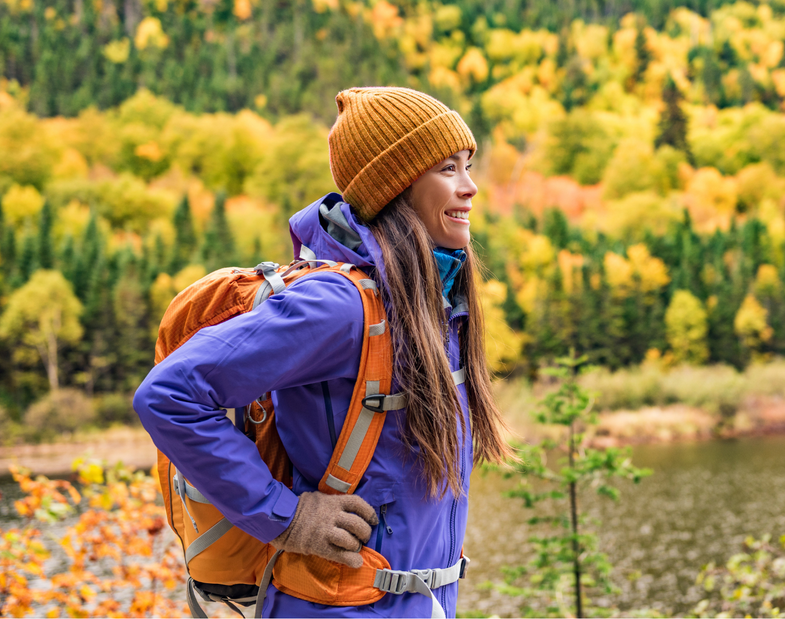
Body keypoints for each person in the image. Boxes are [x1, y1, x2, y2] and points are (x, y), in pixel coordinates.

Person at [134, 87, 514, 618]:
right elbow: (168, 395)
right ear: (395, 187)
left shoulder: (432, 301)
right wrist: (287, 517)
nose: (470, 187)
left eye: (468, 165)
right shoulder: (339, 305)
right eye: (448, 169)